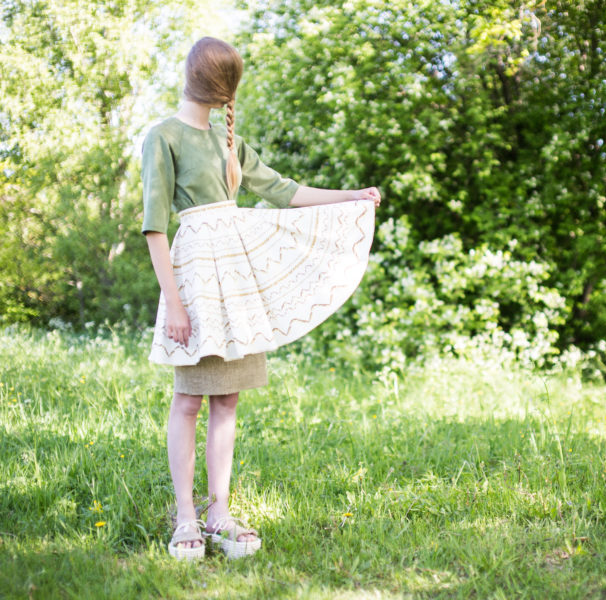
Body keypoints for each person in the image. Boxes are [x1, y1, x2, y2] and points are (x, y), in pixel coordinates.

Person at [140, 36, 379, 560]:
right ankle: (185, 515)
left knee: (227, 398)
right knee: (189, 398)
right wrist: (174, 303)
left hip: (236, 282)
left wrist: (352, 198)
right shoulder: (163, 136)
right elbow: (155, 228)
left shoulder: (230, 143)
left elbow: (283, 191)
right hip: (197, 278)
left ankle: (219, 512)